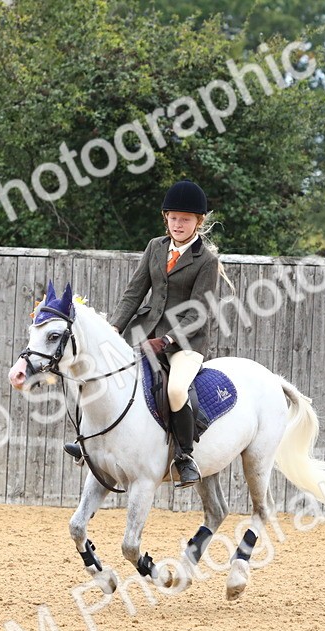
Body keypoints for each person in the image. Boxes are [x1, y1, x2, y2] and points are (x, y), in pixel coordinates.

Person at [64, 179, 223, 488]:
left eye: (185, 219)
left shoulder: (207, 260)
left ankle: (184, 456)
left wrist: (167, 339)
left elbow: (198, 311)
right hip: (143, 330)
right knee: (101, 373)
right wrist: (114, 328)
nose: (178, 224)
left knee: (176, 390)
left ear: (198, 221)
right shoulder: (155, 247)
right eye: (173, 217)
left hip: (185, 343)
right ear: (166, 217)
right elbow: (134, 292)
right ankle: (88, 442)